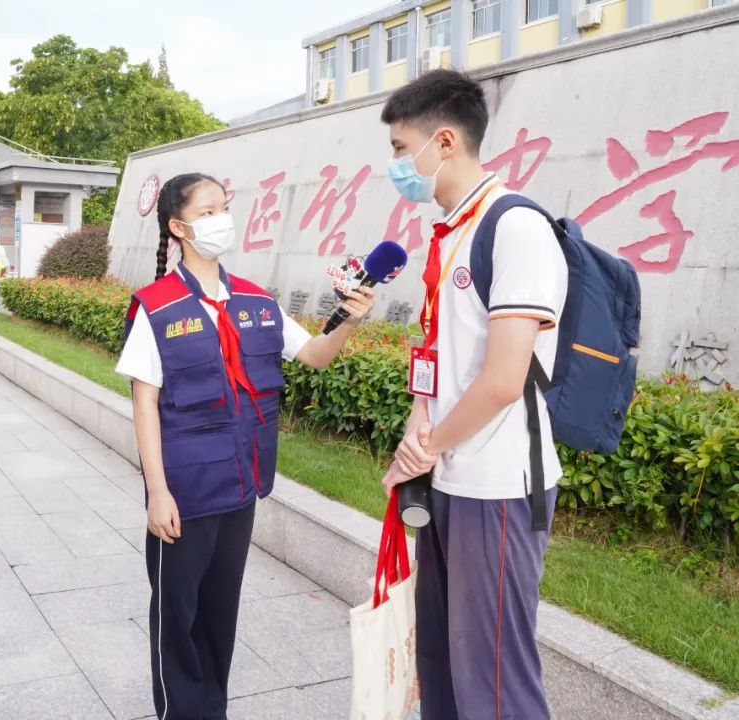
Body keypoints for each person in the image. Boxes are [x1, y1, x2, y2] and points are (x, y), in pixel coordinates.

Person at [115, 173, 375, 720]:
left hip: (240, 489)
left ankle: (212, 711)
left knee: (219, 615)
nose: (221, 218)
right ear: (179, 227)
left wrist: (348, 319)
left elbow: (317, 355)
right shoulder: (157, 308)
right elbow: (144, 405)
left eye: (224, 206)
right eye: (208, 210)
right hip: (183, 496)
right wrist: (156, 492)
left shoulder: (256, 301)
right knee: (177, 617)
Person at [378, 70, 567, 720]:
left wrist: (424, 450)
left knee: (495, 682)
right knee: (443, 666)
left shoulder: (515, 227)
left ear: (447, 141)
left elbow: (501, 380)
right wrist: (416, 429)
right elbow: (438, 358)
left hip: (500, 486)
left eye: (403, 150)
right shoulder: (450, 230)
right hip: (449, 479)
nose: (398, 166)